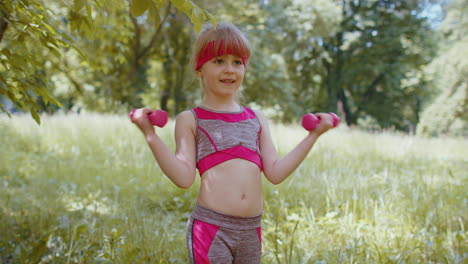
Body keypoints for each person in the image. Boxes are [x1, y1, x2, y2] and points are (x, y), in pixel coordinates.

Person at [130, 22, 336, 264]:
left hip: (251, 231)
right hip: (211, 229)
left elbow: (276, 172)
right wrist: (150, 134)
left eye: (237, 62)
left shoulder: (256, 119)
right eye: (218, 61)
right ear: (199, 69)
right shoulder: (192, 119)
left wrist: (314, 135)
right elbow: (183, 178)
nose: (229, 69)